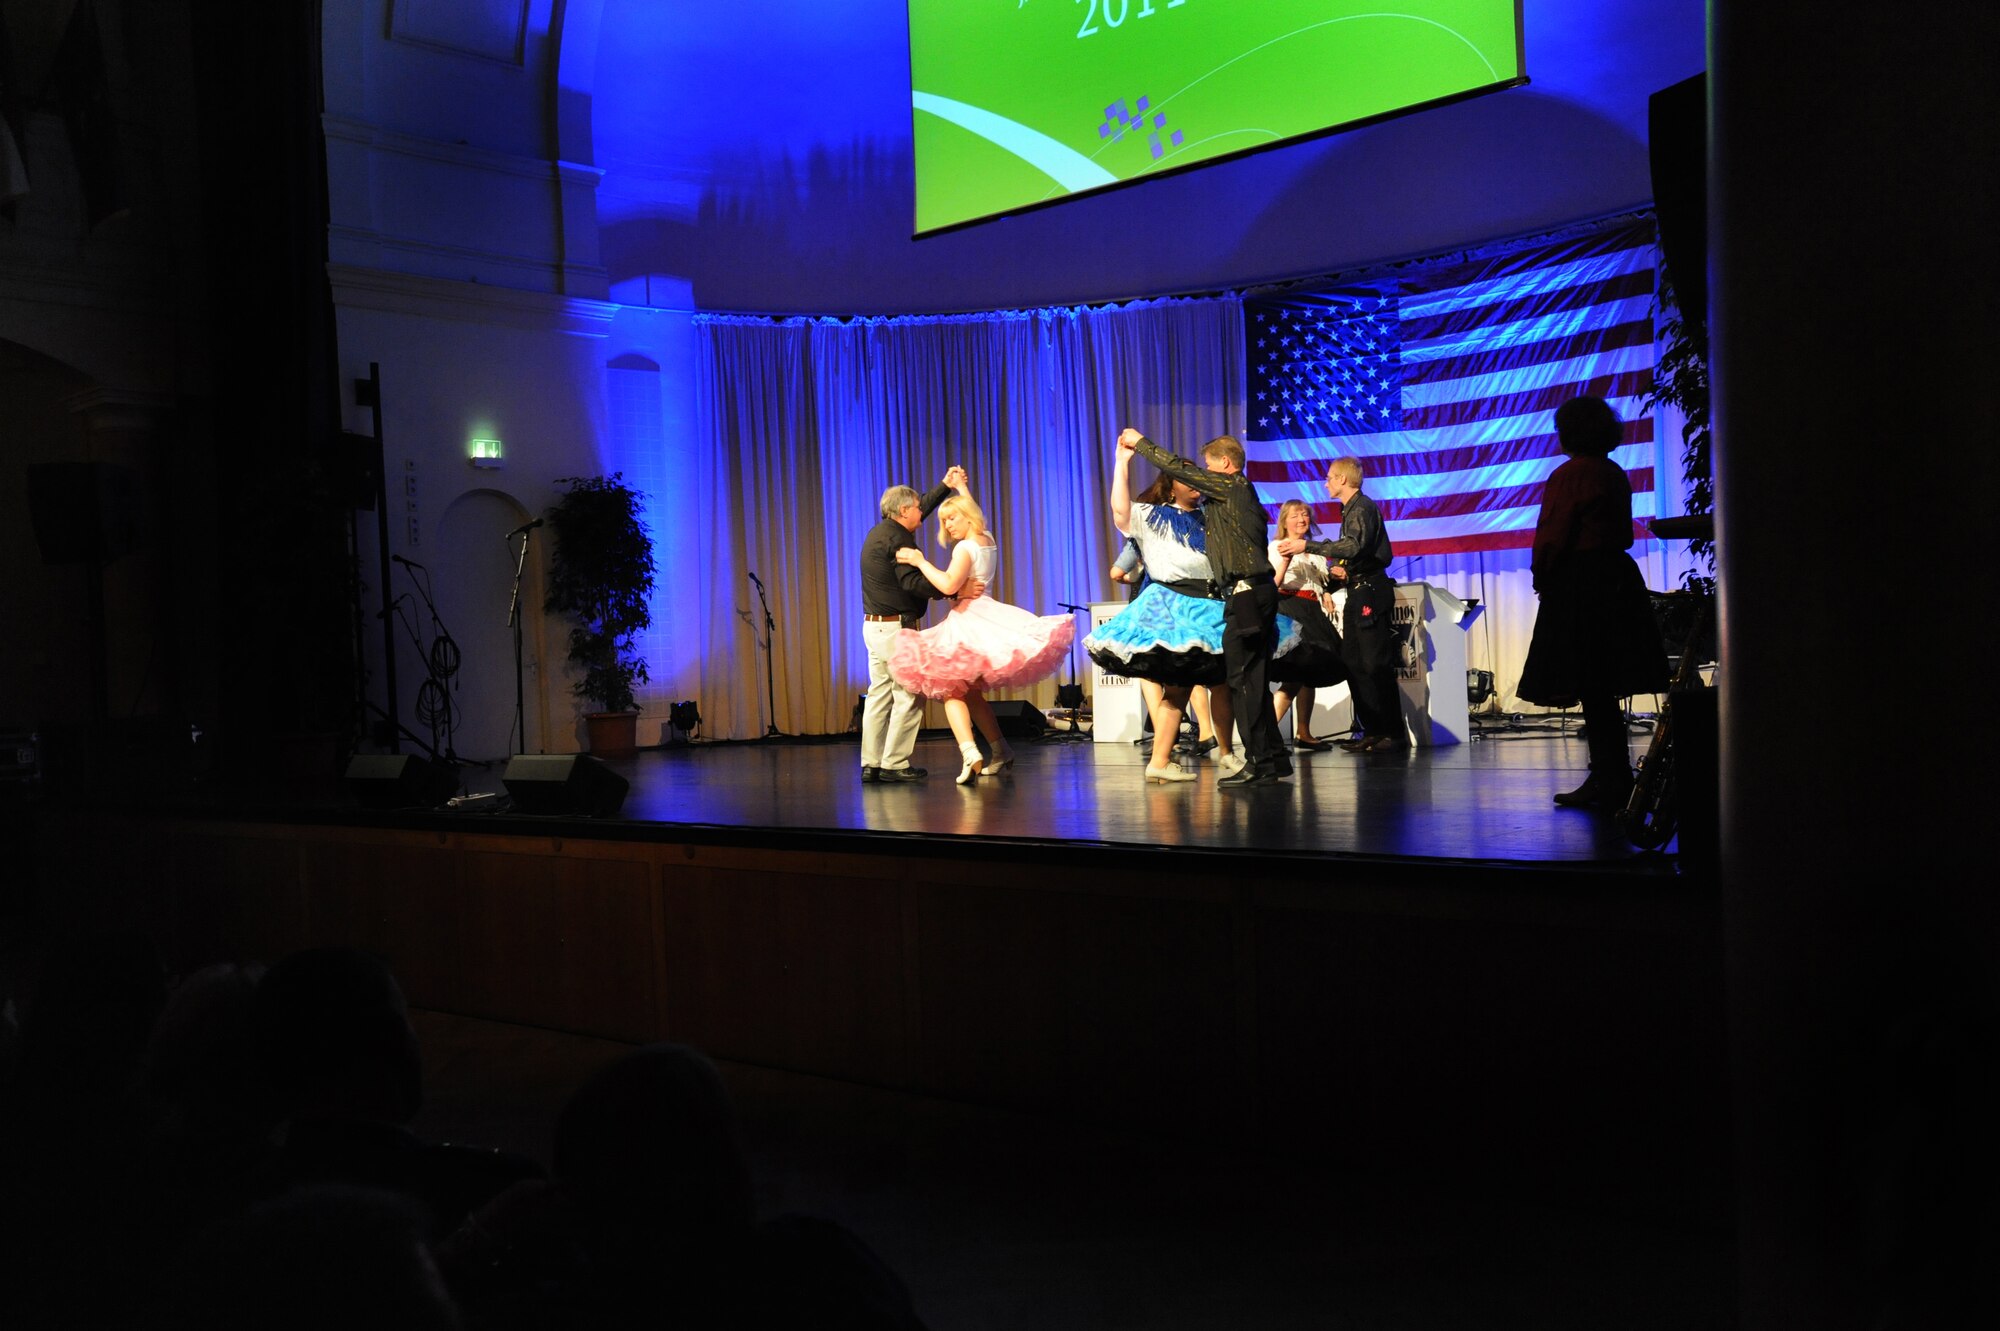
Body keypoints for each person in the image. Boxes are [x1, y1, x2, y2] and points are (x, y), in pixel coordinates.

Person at [1515, 395, 1670, 809]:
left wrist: (1543, 576)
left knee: (1592, 683)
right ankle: (1612, 774)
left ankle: (1609, 777)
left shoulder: (1571, 475)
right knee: (1604, 684)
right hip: (1616, 579)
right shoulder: (1613, 472)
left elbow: (1553, 533)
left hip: (1582, 583)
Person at [1118, 427, 1291, 785]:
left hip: (1245, 593)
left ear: (1225, 464)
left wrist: (1141, 444)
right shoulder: (1226, 503)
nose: (1203, 474)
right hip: (1250, 593)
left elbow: (1181, 473)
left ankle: (1258, 762)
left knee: (1242, 681)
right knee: (1251, 680)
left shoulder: (1231, 487)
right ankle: (1272, 759)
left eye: (1208, 467)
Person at [888, 482, 1075, 784]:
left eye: (952, 518)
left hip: (969, 618)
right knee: (971, 694)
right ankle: (1001, 751)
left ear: (966, 517)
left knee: (950, 689)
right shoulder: (986, 539)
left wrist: (920, 561)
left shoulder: (965, 547)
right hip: (984, 613)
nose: (947, 526)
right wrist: (962, 487)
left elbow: (948, 586)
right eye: (943, 521)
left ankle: (969, 752)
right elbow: (975, 513)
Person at [858, 466, 976, 784]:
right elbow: (912, 583)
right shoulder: (899, 540)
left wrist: (944, 485)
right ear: (905, 511)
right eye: (917, 508)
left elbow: (921, 501)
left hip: (874, 626)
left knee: (880, 694)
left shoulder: (879, 531)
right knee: (911, 693)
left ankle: (871, 762)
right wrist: (950, 589)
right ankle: (895, 763)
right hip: (898, 628)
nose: (922, 511)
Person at [1279, 456, 1402, 752]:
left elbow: (1353, 546)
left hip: (1371, 592)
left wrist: (1307, 545)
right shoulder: (1350, 510)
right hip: (1357, 590)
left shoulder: (1362, 508)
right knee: (1354, 662)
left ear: (1342, 480)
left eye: (1330, 478)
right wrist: (1340, 574)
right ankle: (1371, 731)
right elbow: (1353, 552)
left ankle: (1390, 732)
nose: (1327, 483)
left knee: (1375, 663)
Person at [1267, 499, 1347, 751]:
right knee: (1294, 675)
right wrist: (1288, 559)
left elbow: (1318, 582)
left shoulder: (1315, 551)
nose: (1301, 520)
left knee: (1309, 673)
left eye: (1305, 515)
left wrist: (1328, 587)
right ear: (1284, 521)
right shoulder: (1276, 547)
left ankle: (1303, 732)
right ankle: (1266, 736)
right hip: (1290, 608)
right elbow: (1274, 582)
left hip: (1312, 611)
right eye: (1295, 516)